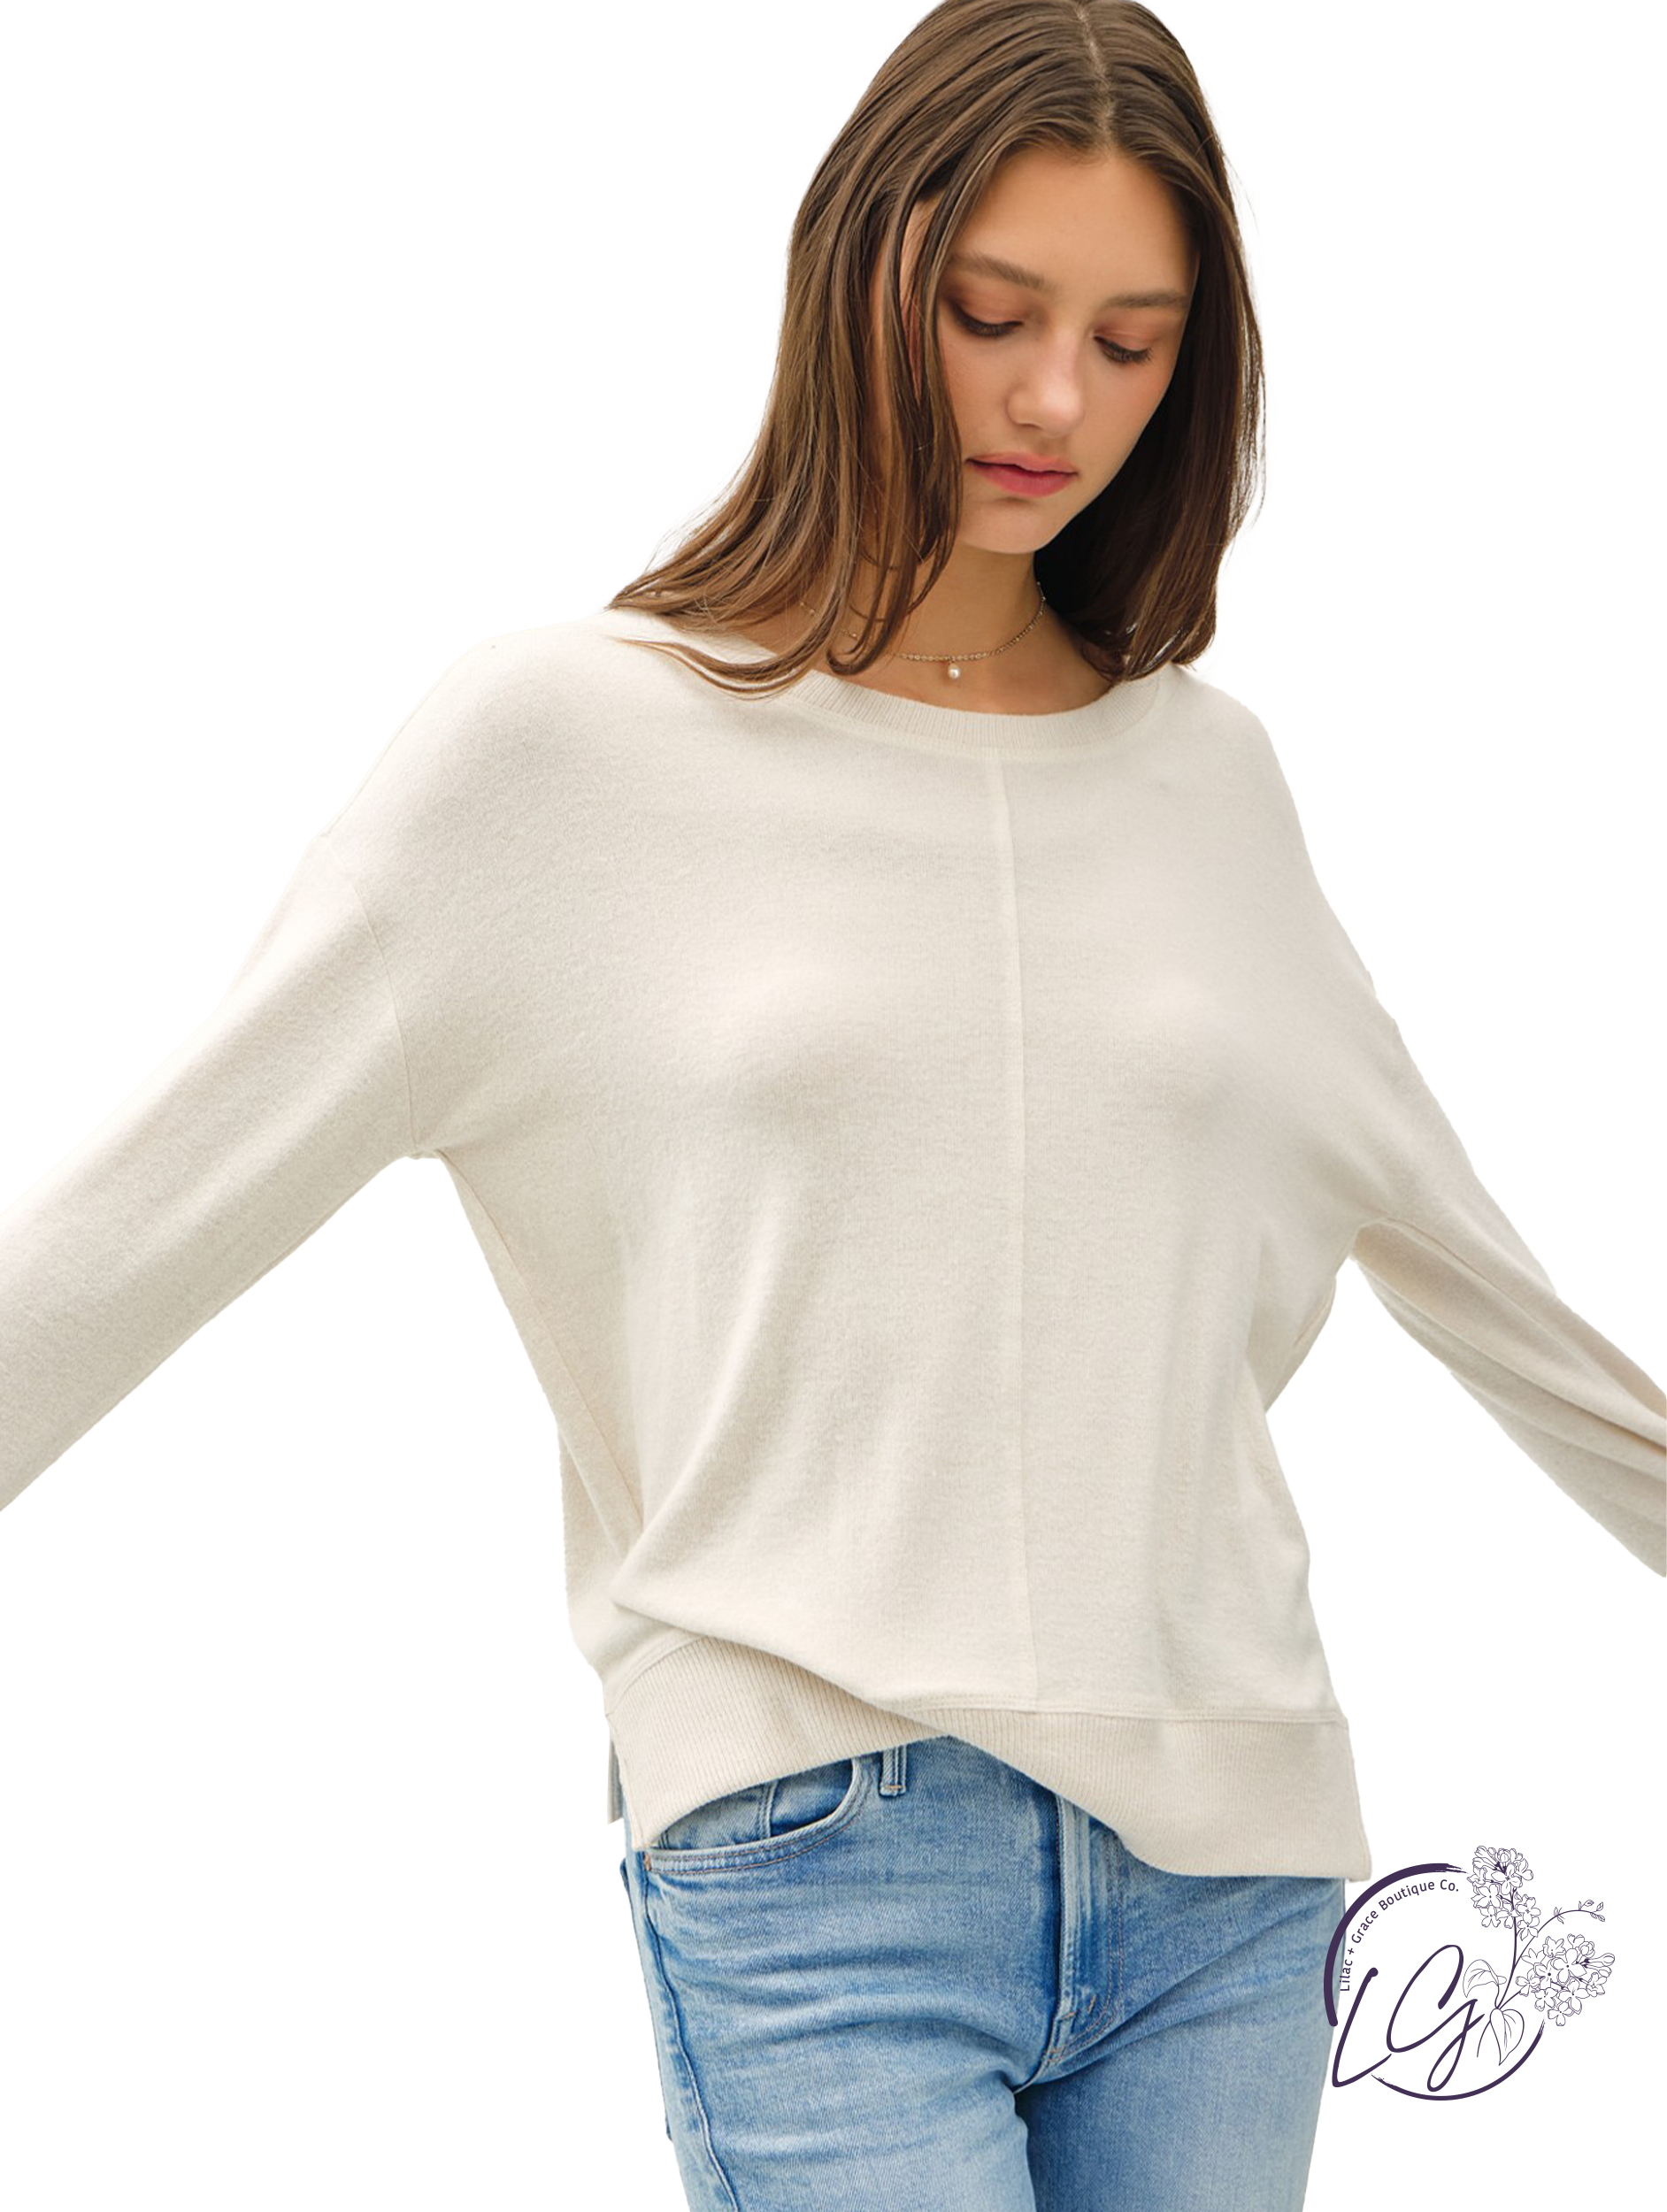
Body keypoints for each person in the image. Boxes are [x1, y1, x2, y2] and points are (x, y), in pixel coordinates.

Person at [0, 2, 1660, 2207]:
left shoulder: (1212, 779)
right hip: (820, 1857)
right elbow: (137, 1219)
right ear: (858, 275)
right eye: (992, 315)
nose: (1056, 402)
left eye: (1134, 343)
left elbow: (1488, 1285)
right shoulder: (562, 748)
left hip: (1234, 1880)